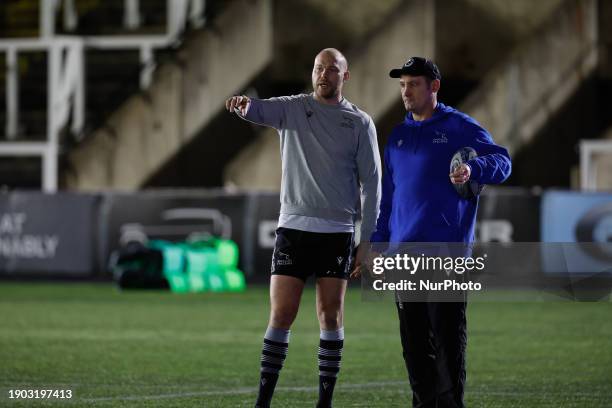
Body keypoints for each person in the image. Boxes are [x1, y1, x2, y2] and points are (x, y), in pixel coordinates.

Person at [225, 48, 381, 408]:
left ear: (346, 76)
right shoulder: (292, 108)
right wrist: (242, 105)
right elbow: (258, 109)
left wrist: (368, 240)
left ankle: (324, 402)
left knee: (330, 315)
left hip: (338, 232)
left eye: (332, 69)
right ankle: (262, 402)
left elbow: (373, 185)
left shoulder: (359, 123)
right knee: (281, 314)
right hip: (293, 228)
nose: (323, 74)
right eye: (318, 68)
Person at [358, 56, 511, 407]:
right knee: (413, 346)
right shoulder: (397, 137)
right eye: (402, 85)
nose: (405, 91)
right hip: (403, 257)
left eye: (413, 84)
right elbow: (389, 200)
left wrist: (474, 168)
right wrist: (377, 244)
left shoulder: (459, 126)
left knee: (447, 342)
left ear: (434, 87)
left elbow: (503, 162)